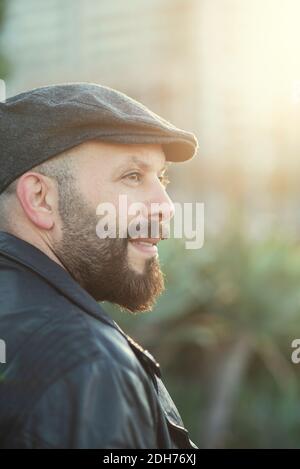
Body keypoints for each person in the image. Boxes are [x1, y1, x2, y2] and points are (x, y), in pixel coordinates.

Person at [0, 83, 198, 449]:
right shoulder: (88, 369)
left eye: (162, 178)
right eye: (133, 176)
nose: (166, 206)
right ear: (41, 199)